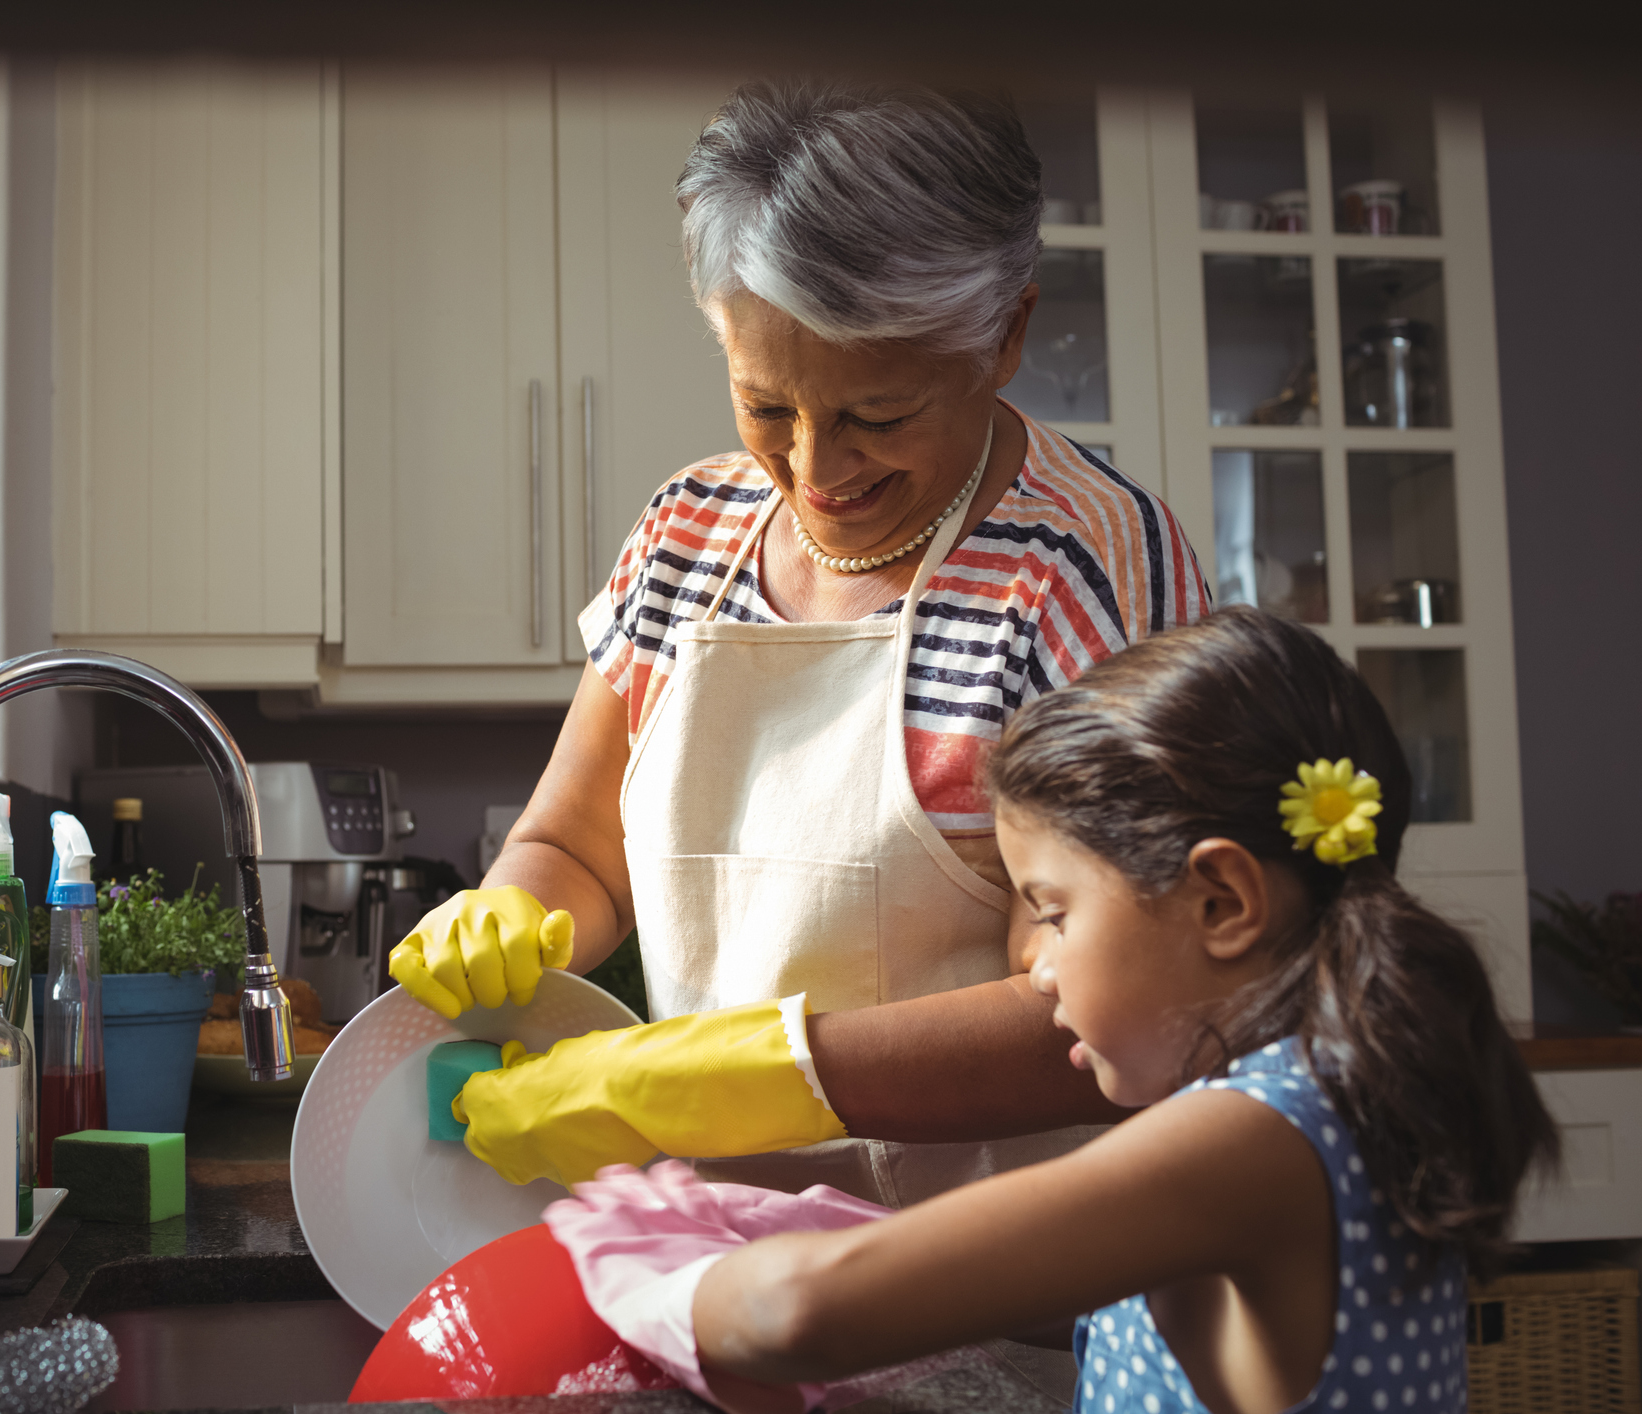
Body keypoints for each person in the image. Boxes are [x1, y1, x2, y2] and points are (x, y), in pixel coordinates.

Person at [389, 79, 1209, 1205]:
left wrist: (724, 1077)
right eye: (767, 405)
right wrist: (511, 910)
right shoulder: (687, 534)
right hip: (713, 1257)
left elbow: (1102, 1009)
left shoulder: (1084, 568)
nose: (819, 472)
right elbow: (576, 850)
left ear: (1005, 334)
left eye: (880, 414)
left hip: (989, 1280)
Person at [538, 607, 1555, 1414]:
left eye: (1053, 910)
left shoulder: (1257, 1135)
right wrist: (810, 1229)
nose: (1031, 962)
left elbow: (808, 1312)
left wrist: (641, 1260)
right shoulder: (1313, 1103)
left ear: (1222, 902)